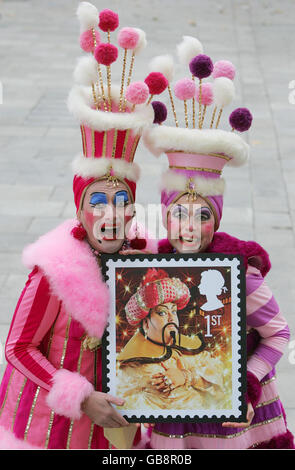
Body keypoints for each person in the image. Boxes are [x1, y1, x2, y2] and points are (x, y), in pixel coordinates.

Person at [0, 3, 156, 449]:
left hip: (120, 431)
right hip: (51, 428)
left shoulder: (145, 261)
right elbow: (17, 348)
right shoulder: (54, 269)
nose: (109, 214)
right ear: (81, 209)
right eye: (97, 202)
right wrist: (81, 397)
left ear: (132, 210)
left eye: (120, 201)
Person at [142, 39, 295, 448]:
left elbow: (279, 334)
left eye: (202, 215)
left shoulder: (238, 272)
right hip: (171, 413)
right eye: (179, 213)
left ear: (217, 220)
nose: (189, 228)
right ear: (164, 215)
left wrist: (245, 383)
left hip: (231, 421)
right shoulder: (150, 268)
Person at [116, 268, 225, 412]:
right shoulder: (132, 365)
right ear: (146, 323)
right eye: (162, 312)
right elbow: (125, 404)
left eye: (173, 311)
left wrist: (187, 377)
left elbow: (222, 391)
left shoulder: (193, 350)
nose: (171, 318)